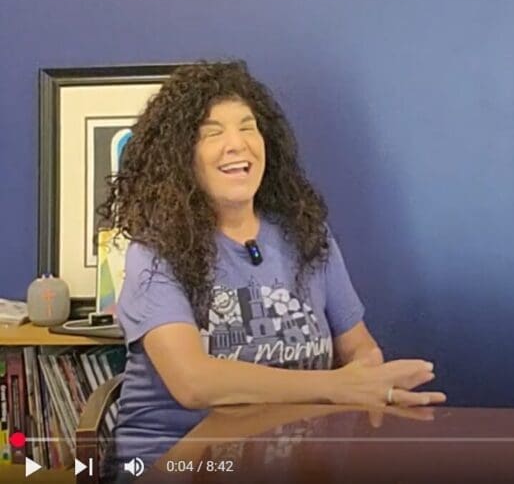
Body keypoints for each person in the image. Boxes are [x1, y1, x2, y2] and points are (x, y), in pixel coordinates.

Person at [102, 62, 445, 469]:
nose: (237, 144)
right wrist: (335, 386)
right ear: (181, 157)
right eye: (213, 133)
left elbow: (358, 346)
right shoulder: (153, 253)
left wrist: (367, 376)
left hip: (290, 461)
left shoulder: (308, 236)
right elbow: (193, 383)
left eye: (248, 127)